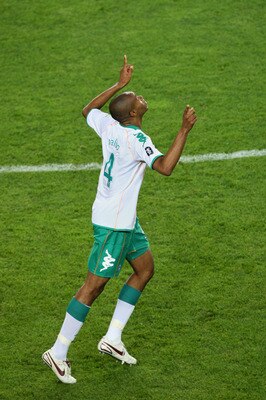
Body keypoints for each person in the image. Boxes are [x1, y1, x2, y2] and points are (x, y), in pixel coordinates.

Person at [42, 55, 197, 384]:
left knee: (145, 269)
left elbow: (88, 111)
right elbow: (165, 167)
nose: (140, 97)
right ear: (134, 114)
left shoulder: (109, 125)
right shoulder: (136, 139)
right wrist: (184, 130)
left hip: (123, 219)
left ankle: (112, 338)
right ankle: (57, 351)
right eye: (135, 97)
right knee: (94, 286)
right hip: (113, 224)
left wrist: (119, 85)